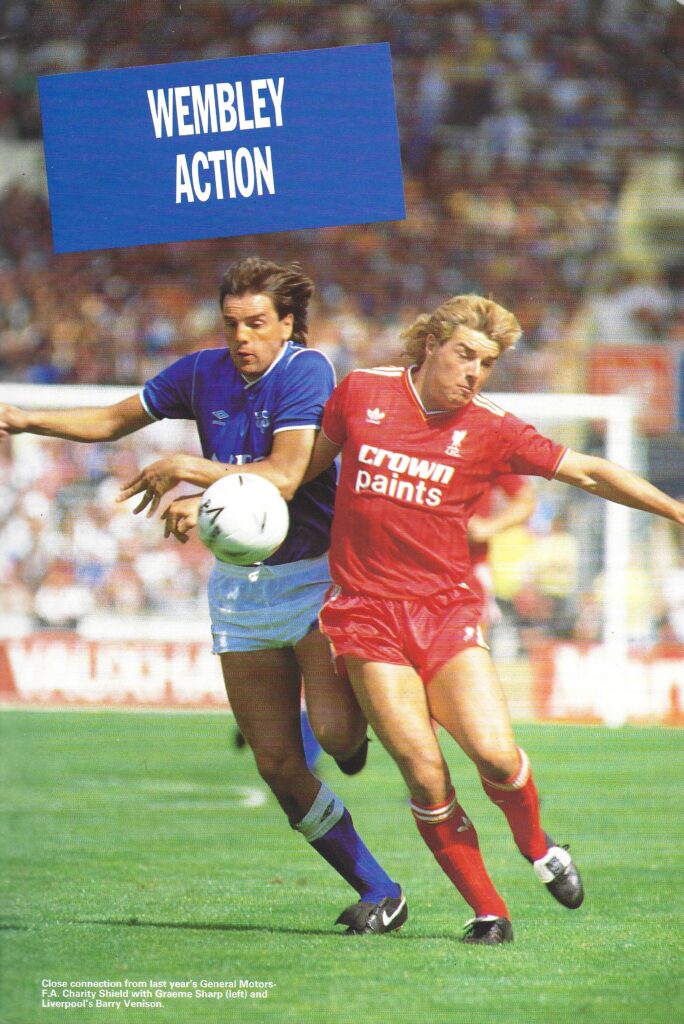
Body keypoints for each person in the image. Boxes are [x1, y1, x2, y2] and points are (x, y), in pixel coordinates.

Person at [0, 257, 406, 936]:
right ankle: (379, 889)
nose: (242, 337)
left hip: (314, 575)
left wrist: (195, 473)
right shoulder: (201, 372)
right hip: (241, 588)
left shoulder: (308, 371)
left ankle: (352, 733)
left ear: (287, 325)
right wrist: (20, 419)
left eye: (256, 323)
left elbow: (282, 474)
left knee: (335, 736)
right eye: (231, 324)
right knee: (278, 764)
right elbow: (110, 419)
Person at [303, 293, 684, 944]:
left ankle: (538, 846)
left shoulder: (491, 427)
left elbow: (587, 472)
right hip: (365, 613)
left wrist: (677, 512)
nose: (475, 372)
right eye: (465, 355)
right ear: (431, 345)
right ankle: (489, 911)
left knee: (497, 756)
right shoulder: (360, 392)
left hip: (445, 612)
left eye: (488, 362)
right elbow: (298, 472)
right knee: (424, 771)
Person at [467, 473, 537, 636]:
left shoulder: (483, 450)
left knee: (471, 647)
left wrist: (488, 527)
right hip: (411, 568)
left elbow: (526, 500)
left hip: (469, 569)